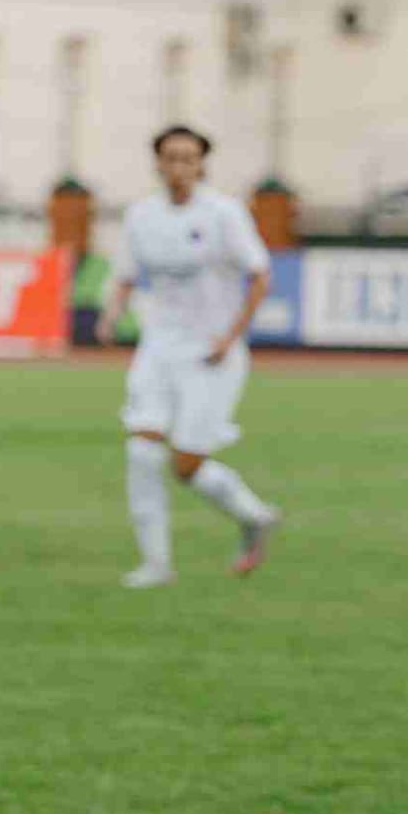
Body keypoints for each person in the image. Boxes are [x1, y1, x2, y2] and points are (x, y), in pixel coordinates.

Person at [99, 125, 281, 589]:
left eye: (188, 157)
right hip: (158, 347)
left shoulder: (224, 214)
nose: (179, 166)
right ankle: (156, 565)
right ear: (157, 163)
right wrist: (111, 313)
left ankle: (253, 516)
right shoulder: (141, 216)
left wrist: (230, 335)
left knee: (187, 465)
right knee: (141, 451)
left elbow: (259, 275)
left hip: (210, 354)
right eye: (170, 157)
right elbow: (125, 275)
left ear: (202, 164)